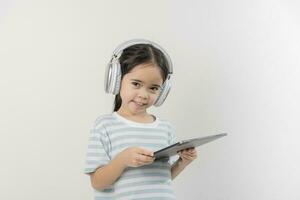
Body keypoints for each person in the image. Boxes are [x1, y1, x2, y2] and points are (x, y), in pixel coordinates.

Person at [84, 39, 197, 199]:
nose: (144, 95)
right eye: (136, 84)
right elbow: (97, 183)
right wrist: (122, 160)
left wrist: (182, 162)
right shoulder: (104, 126)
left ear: (162, 91)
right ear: (117, 81)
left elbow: (161, 179)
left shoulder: (165, 128)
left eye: (153, 88)